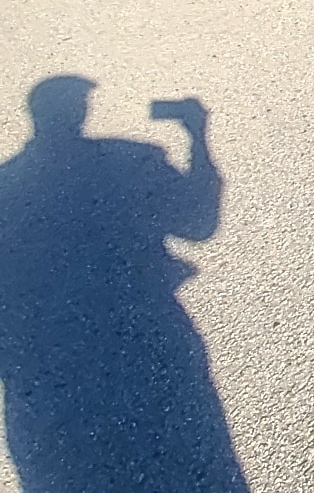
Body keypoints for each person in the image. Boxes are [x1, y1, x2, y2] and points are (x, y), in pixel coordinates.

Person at [0, 76, 247, 491]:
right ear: (82, 111)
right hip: (149, 340)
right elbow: (200, 221)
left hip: (46, 376)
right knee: (194, 465)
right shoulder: (130, 159)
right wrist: (197, 137)